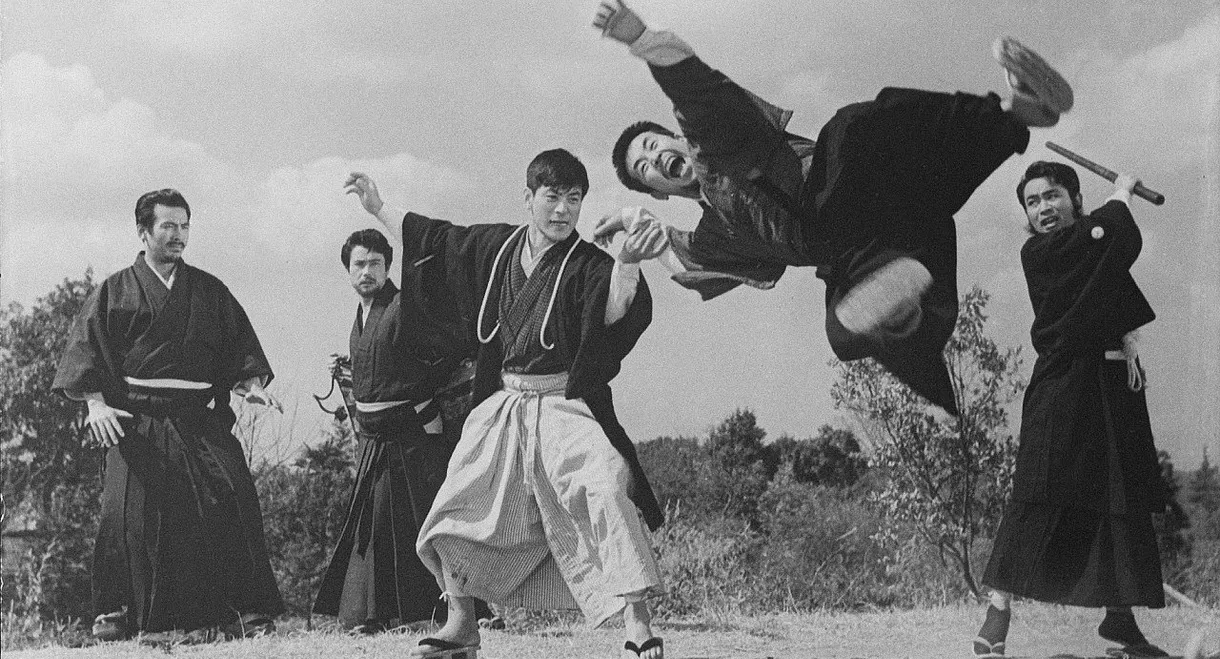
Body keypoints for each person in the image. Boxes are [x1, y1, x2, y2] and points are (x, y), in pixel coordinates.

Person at [591, 0, 1076, 414]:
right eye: (644, 169)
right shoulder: (713, 238)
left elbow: (694, 90)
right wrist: (636, 227)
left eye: (653, 145)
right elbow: (684, 260)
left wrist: (640, 39)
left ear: (676, 138)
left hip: (846, 186)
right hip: (860, 246)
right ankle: (908, 310)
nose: (655, 159)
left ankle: (1014, 113)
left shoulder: (711, 142)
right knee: (842, 331)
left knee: (854, 127)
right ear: (656, 191)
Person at [344, 148, 669, 659]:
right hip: (504, 401)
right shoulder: (496, 248)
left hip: (565, 402)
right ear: (528, 197)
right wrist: (379, 208)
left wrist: (626, 265)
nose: (563, 210)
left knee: (606, 485)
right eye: (552, 196)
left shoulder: (589, 263)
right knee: (455, 503)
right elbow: (436, 240)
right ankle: (461, 624)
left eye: (574, 199)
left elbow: (611, 316)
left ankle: (638, 624)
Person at [52, 189, 284, 643]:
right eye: (168, 226)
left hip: (198, 418)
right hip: (135, 420)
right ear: (143, 232)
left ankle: (245, 612)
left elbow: (237, 351)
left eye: (184, 226)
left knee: (233, 495)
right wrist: (96, 404)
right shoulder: (114, 291)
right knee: (128, 515)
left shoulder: (210, 291)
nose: (178, 235)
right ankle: (120, 613)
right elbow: (85, 353)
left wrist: (251, 386)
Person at [975, 163, 1168, 658]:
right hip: (1063, 385)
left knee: (1120, 496)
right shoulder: (1041, 253)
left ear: (1075, 199)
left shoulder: (1087, 247)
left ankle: (1121, 623)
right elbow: (1110, 235)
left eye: (1053, 195)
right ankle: (998, 609)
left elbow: (1113, 255)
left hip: (1112, 382)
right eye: (1033, 201)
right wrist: (1122, 193)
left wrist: (1115, 206)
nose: (1043, 208)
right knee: (1040, 490)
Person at [313, 229, 498, 633]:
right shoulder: (362, 317)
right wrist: (349, 367)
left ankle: (466, 612)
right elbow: (382, 365)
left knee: (430, 524)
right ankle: (375, 615)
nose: (367, 271)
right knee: (375, 527)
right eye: (359, 264)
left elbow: (451, 352)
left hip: (414, 435)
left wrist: (425, 404)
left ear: (388, 267)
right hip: (375, 440)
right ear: (348, 270)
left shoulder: (405, 307)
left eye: (375, 263)